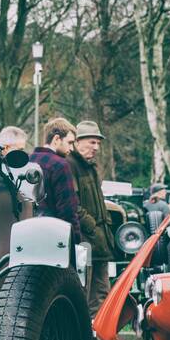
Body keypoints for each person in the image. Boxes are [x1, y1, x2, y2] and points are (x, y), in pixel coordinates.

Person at [68, 120, 115, 319]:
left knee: (102, 292)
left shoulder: (91, 168)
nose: (96, 148)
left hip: (99, 242)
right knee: (85, 292)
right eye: (91, 143)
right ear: (78, 142)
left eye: (98, 143)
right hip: (85, 241)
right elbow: (73, 204)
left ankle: (98, 338)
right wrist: (92, 226)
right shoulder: (70, 165)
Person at [30, 117, 82, 244]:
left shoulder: (27, 161)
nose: (72, 149)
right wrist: (75, 242)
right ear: (57, 139)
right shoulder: (60, 165)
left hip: (27, 234)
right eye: (70, 143)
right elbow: (67, 210)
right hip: (53, 237)